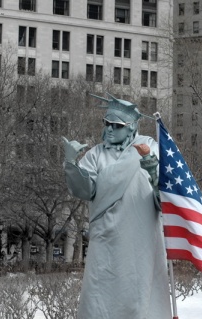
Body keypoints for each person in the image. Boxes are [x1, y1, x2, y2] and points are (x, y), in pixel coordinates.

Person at [62, 93, 172, 319]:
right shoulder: (95, 155)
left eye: (117, 125)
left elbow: (164, 200)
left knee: (140, 299)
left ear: (132, 128)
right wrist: (71, 164)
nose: (110, 129)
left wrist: (152, 169)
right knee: (99, 301)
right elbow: (84, 191)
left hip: (141, 242)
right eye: (107, 123)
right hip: (106, 241)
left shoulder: (150, 147)